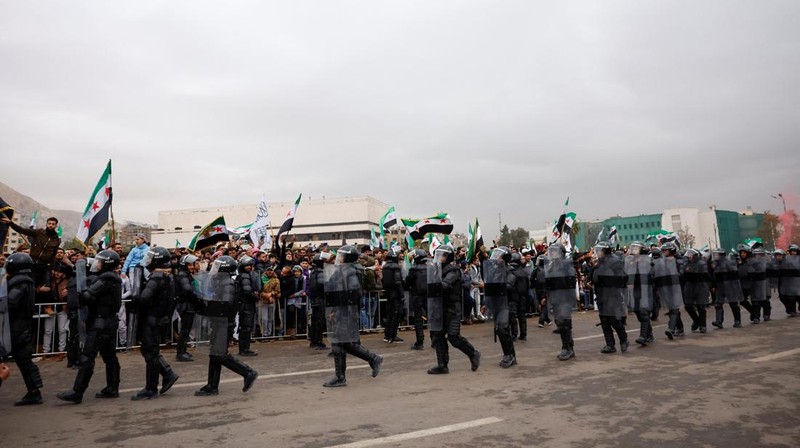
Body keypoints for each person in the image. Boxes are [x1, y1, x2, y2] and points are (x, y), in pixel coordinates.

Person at [56, 250, 122, 403]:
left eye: (100, 261)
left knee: (87, 356)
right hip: (108, 322)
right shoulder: (112, 277)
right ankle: (112, 387)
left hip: (100, 323)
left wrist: (83, 286)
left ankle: (77, 392)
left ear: (107, 263)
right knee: (109, 356)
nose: (97, 264)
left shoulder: (106, 278)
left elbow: (87, 295)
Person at [195, 256, 259, 396]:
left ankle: (248, 372)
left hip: (224, 324)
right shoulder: (222, 282)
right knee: (214, 354)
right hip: (219, 323)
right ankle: (212, 385)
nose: (214, 270)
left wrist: (208, 306)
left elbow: (225, 304)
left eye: (217, 267)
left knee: (220, 355)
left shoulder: (228, 284)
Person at [322, 245, 383, 387]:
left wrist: (339, 310)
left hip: (347, 313)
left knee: (339, 343)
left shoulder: (351, 272)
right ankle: (373, 359)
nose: (338, 258)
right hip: (341, 311)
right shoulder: (342, 270)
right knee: (345, 344)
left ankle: (341, 377)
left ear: (347, 257)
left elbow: (353, 294)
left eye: (341, 256)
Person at [131, 246, 180, 401]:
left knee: (151, 354)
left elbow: (145, 298)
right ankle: (167, 373)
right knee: (149, 351)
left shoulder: (156, 277)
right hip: (160, 319)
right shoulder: (167, 276)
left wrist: (137, 298)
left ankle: (151, 388)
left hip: (152, 319)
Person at [427, 244, 481, 374]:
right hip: (440, 307)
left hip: (452, 308)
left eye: (443, 255)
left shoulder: (454, 270)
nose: (440, 257)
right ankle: (442, 365)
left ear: (449, 256)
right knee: (438, 336)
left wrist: (435, 284)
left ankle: (473, 354)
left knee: (453, 336)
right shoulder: (436, 269)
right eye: (439, 255)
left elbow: (446, 284)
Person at [5, 252, 45, 405]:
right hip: (20, 325)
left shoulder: (20, 282)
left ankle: (34, 391)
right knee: (24, 360)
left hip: (16, 326)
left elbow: (11, 302)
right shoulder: (25, 281)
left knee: (24, 360)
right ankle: (34, 390)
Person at [592, 242, 628, 354]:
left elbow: (622, 278)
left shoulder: (615, 261)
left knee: (614, 320)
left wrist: (609, 280)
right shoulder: (599, 263)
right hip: (601, 295)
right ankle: (610, 344)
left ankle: (624, 340)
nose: (598, 253)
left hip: (613, 296)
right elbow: (593, 277)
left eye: (600, 250)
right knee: (604, 321)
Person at [484, 247, 516, 368]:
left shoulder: (510, 270)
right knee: (500, 330)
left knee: (503, 329)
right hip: (496, 303)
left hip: (507, 304)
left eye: (499, 256)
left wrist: (496, 286)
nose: (496, 258)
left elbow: (509, 285)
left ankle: (509, 355)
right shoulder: (494, 270)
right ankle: (510, 355)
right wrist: (485, 303)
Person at [544, 243, 578, 361]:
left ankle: (567, 348)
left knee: (564, 322)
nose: (553, 253)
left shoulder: (567, 264)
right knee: (560, 323)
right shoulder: (551, 266)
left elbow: (571, 280)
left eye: (555, 251)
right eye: (551, 251)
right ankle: (569, 346)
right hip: (555, 298)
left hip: (565, 298)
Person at [655, 242, 685, 340]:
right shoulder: (661, 262)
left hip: (676, 287)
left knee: (674, 308)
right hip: (666, 287)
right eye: (663, 250)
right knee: (672, 308)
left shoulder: (678, 261)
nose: (663, 252)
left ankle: (671, 329)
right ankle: (680, 328)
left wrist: (673, 276)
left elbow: (682, 273)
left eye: (665, 250)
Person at [175, 254, 202, 362]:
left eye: (192, 264)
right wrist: (197, 297)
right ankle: (181, 353)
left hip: (188, 305)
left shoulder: (185, 275)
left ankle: (183, 350)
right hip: (186, 306)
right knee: (185, 330)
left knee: (186, 330)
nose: (192, 267)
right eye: (189, 265)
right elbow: (187, 289)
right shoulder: (183, 276)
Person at [710, 248, 744, 328]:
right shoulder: (716, 265)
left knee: (733, 303)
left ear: (721, 255)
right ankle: (719, 321)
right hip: (720, 286)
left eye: (717, 254)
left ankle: (737, 321)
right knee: (718, 304)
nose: (715, 256)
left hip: (730, 286)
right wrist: (714, 286)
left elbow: (735, 275)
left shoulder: (729, 263)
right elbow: (715, 276)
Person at [682, 248, 711, 333]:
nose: (689, 256)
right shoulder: (686, 264)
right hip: (689, 286)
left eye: (691, 254)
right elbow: (683, 273)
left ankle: (703, 325)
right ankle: (696, 320)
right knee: (688, 306)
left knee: (700, 306)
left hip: (700, 286)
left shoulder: (701, 263)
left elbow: (705, 275)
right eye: (688, 254)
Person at [404, 249, 428, 350]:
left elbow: (407, 283)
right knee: (432, 319)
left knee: (418, 320)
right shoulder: (430, 268)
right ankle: (435, 341)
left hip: (417, 296)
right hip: (429, 296)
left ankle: (420, 342)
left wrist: (409, 287)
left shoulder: (413, 270)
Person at [236, 255, 259, 356]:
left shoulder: (243, 275)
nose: (249, 267)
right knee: (246, 327)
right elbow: (247, 291)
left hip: (244, 304)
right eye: (247, 265)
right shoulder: (245, 276)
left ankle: (245, 348)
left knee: (245, 327)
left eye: (250, 265)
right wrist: (256, 297)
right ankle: (244, 349)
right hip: (246, 305)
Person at [382, 245, 404, 343]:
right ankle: (392, 335)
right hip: (396, 294)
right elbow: (398, 282)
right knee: (396, 314)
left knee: (390, 314)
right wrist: (402, 294)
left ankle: (387, 335)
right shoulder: (395, 267)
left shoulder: (385, 267)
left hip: (388, 293)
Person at [307, 254, 328, 350]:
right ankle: (318, 341)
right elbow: (321, 284)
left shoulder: (313, 272)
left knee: (315, 321)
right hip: (320, 299)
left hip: (315, 299)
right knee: (320, 321)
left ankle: (314, 340)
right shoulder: (320, 272)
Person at [508, 253, 529, 341]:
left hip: (513, 296)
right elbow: (527, 284)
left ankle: (514, 334)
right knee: (522, 315)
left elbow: (509, 285)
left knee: (513, 316)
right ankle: (523, 334)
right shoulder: (523, 271)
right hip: (522, 296)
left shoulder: (511, 271)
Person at [749, 248, 771, 323]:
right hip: (755, 284)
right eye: (756, 255)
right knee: (755, 302)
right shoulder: (751, 263)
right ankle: (756, 317)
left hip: (765, 284)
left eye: (759, 254)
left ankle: (766, 314)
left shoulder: (766, 262)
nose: (757, 256)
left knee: (765, 300)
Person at [777, 245, 800, 317]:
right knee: (788, 297)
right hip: (788, 281)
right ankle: (791, 310)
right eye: (792, 251)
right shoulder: (786, 259)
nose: (793, 253)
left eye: (795, 251)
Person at [259, 265, 280, 337]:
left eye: (271, 270)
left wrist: (271, 294)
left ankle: (269, 333)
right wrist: (265, 295)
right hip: (263, 301)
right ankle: (264, 334)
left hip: (272, 301)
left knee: (271, 318)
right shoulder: (261, 279)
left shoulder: (276, 280)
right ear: (265, 271)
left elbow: (277, 290)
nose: (269, 272)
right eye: (268, 270)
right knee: (264, 319)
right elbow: (259, 289)